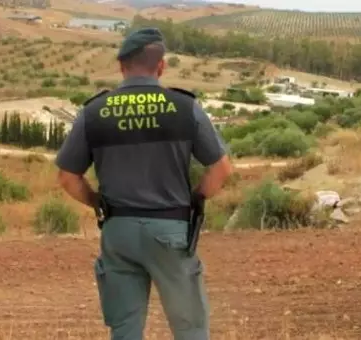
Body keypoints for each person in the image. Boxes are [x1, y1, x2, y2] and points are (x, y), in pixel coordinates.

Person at [56, 27, 233, 340]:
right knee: (190, 327)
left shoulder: (94, 112)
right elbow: (220, 168)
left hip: (118, 231)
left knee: (124, 330)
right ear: (161, 66)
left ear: (121, 67)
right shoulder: (185, 107)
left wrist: (98, 202)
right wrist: (195, 199)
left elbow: (68, 177)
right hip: (170, 230)